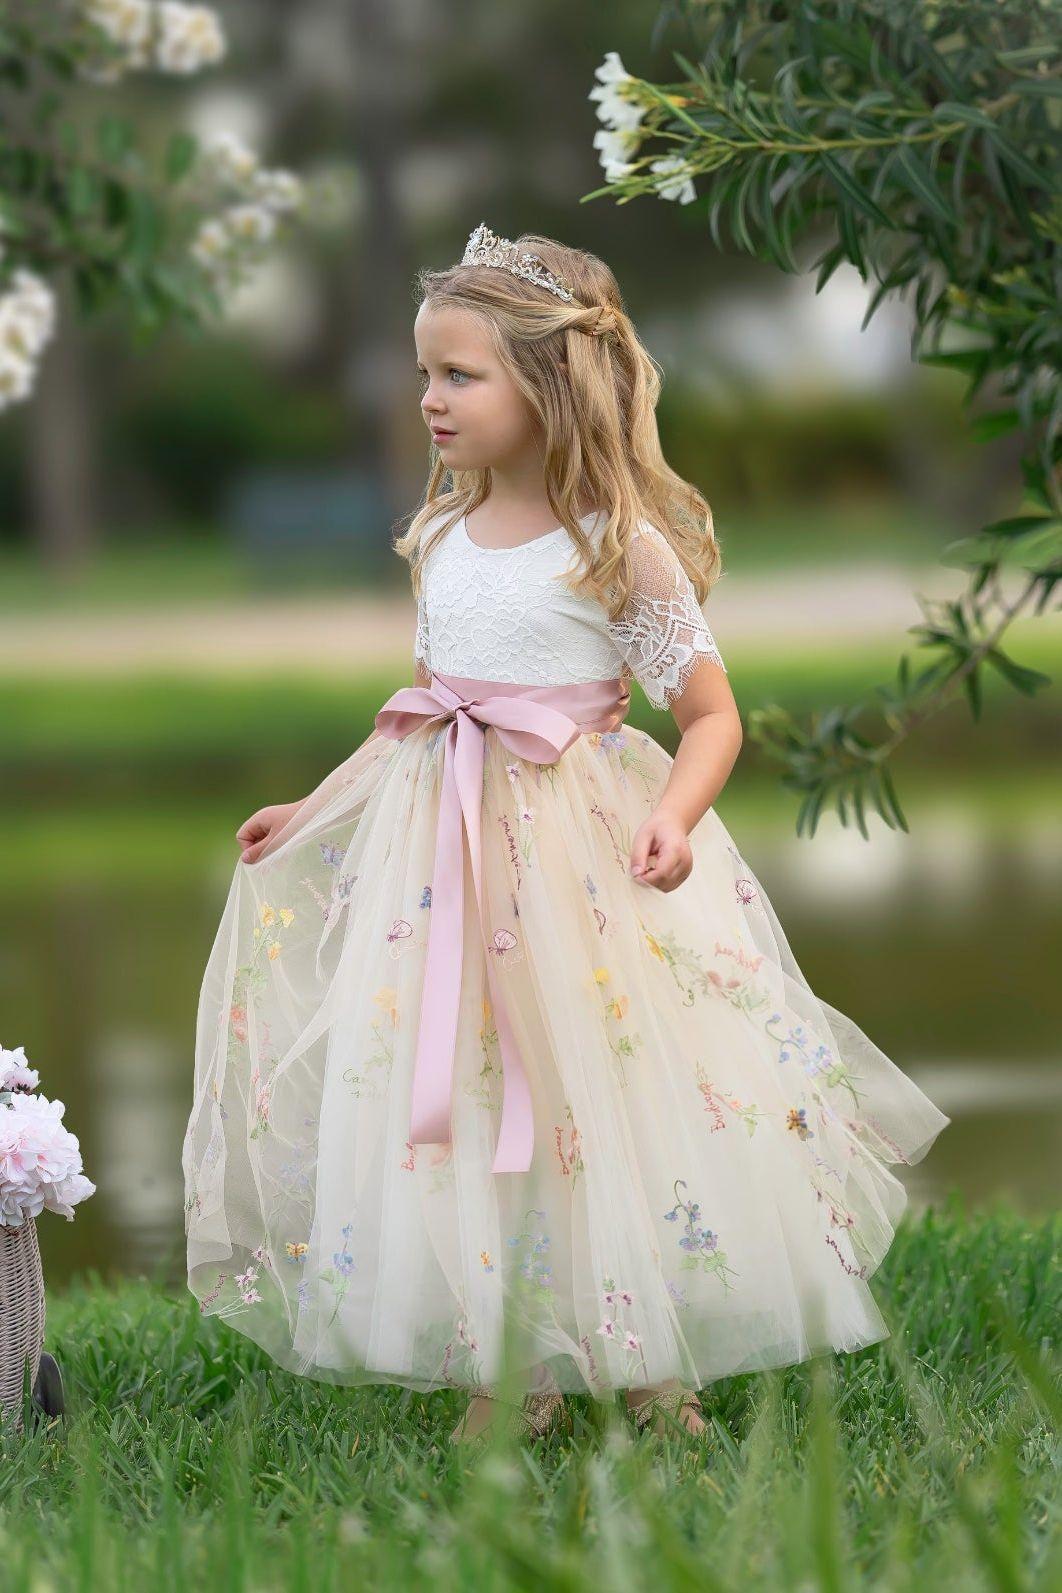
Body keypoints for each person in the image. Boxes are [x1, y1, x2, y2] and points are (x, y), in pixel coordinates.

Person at [182, 222, 948, 1445]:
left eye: (459, 374)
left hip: (579, 865)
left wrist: (675, 817)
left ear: (550, 383)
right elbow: (417, 713)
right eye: (424, 372)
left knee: (611, 1092)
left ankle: (655, 1365)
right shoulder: (438, 538)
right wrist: (314, 804)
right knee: (472, 1097)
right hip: (443, 873)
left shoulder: (614, 549)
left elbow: (709, 714)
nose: (427, 399)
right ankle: (512, 1362)